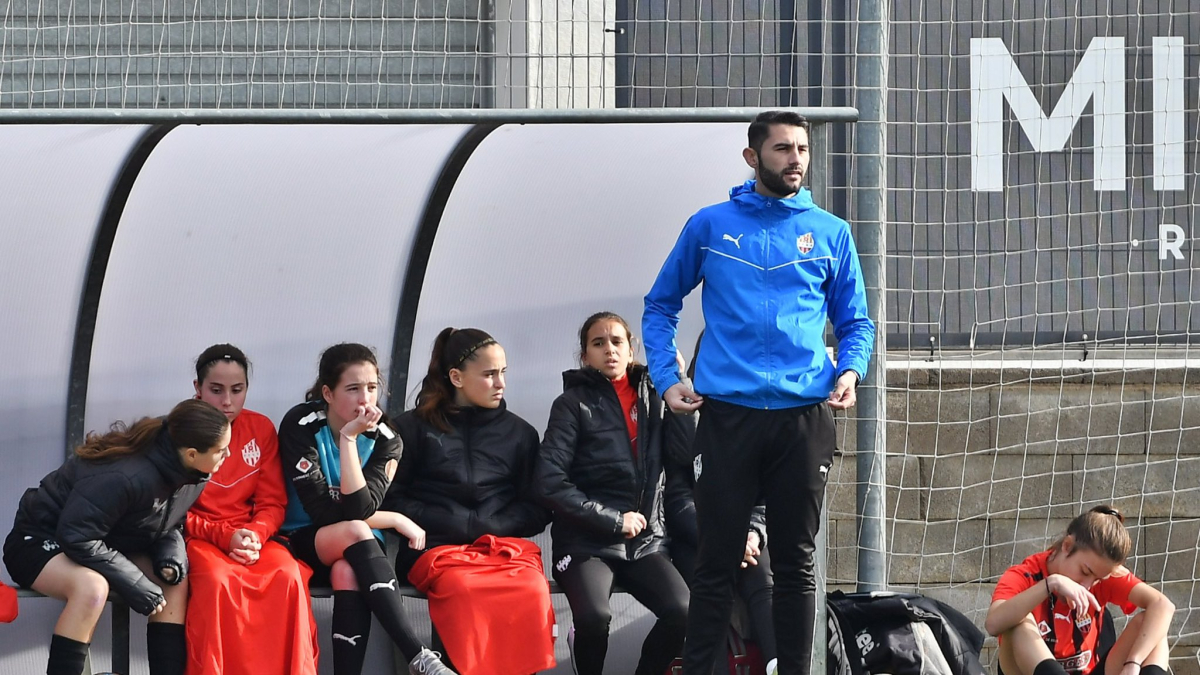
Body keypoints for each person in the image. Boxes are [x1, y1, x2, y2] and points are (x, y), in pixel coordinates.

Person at [642, 109, 875, 675]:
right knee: (716, 563)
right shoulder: (710, 225)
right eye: (782, 149)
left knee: (795, 564)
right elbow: (659, 305)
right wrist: (667, 379)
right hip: (730, 417)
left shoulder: (831, 231)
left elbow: (856, 323)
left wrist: (851, 370)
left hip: (804, 417)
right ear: (753, 158)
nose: (795, 159)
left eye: (802, 149)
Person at [3, 399, 231, 675]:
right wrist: (136, 583)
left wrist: (170, 559)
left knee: (174, 582)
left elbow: (170, 522)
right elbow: (76, 536)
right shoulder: (128, 475)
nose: (228, 455)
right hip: (40, 539)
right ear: (193, 454)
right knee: (92, 589)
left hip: (101, 542)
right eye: (221, 450)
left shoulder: (193, 472)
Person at [381, 327, 555, 675]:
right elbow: (391, 498)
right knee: (463, 589)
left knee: (532, 589)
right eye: (489, 374)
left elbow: (538, 506)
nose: (501, 383)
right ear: (456, 377)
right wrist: (453, 523)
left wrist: (493, 526)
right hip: (437, 551)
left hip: (502, 549)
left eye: (503, 372)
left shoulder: (520, 433)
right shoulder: (409, 429)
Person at [277, 342, 454, 675]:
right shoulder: (301, 424)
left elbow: (358, 507)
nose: (365, 399)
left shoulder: (387, 438)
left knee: (348, 570)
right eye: (353, 388)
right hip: (302, 540)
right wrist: (394, 518)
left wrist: (350, 439)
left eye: (372, 388)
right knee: (356, 529)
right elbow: (324, 514)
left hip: (358, 549)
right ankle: (417, 654)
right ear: (327, 393)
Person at [537, 311, 692, 675]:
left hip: (646, 542)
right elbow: (548, 482)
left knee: (683, 611)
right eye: (598, 343)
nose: (609, 350)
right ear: (584, 355)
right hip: (586, 542)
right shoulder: (571, 405)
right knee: (594, 617)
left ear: (632, 348)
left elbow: (685, 455)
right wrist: (612, 520)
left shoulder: (655, 396)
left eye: (617, 341)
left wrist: (678, 381)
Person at [184, 344, 319, 675]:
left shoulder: (261, 429)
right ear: (198, 389)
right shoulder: (179, 429)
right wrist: (224, 536)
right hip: (200, 538)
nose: (227, 401)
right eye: (216, 390)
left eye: (237, 390)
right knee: (216, 581)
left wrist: (255, 536)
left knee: (287, 575)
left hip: (253, 537)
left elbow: (273, 502)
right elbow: (172, 513)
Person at [665, 331, 777, 672]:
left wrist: (753, 533)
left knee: (763, 578)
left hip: (746, 537)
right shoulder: (684, 411)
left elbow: (769, 492)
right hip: (698, 536)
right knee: (709, 587)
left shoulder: (766, 409)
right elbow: (676, 495)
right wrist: (722, 539)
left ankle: (779, 664)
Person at [985, 506, 1175, 675]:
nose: (1087, 586)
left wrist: (1134, 662)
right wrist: (1052, 583)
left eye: (1097, 579)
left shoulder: (1102, 576)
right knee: (1019, 622)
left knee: (1151, 624)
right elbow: (993, 624)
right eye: (1084, 572)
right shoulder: (1025, 575)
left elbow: (1163, 606)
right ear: (1067, 546)